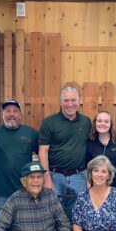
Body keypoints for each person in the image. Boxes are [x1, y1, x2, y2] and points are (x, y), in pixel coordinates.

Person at [38, 86, 91, 218]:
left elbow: (92, 150)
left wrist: (89, 178)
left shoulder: (86, 122)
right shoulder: (49, 122)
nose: (70, 104)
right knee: (53, 215)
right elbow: (43, 151)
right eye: (66, 100)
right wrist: (46, 178)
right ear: (60, 102)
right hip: (55, 177)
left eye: (73, 100)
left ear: (79, 102)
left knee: (78, 215)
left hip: (79, 177)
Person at [0, 100, 38, 218]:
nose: (11, 114)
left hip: (25, 192)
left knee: (24, 229)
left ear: (20, 114)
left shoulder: (31, 133)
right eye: (8, 111)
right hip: (1, 194)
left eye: (15, 111)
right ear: (2, 114)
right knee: (1, 230)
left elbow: (43, 155)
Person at [86, 111, 116, 201]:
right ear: (95, 123)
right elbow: (88, 167)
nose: (102, 124)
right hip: (98, 187)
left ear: (111, 124)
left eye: (106, 121)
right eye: (99, 121)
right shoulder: (90, 143)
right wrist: (89, 185)